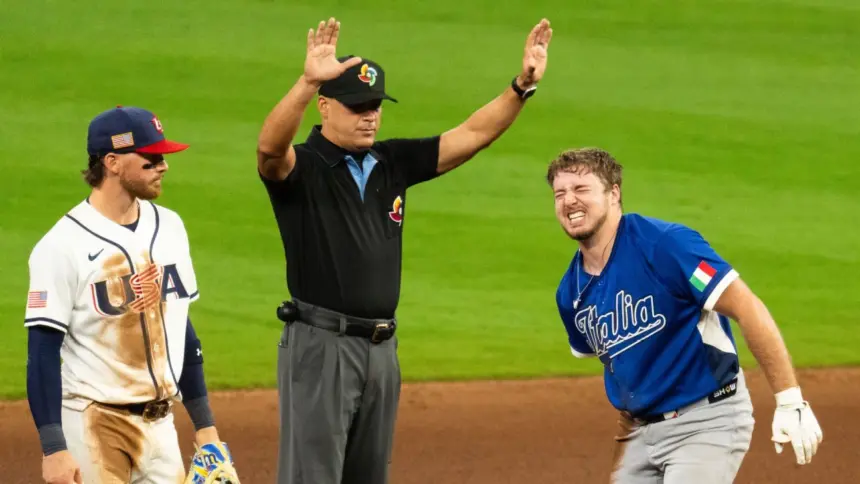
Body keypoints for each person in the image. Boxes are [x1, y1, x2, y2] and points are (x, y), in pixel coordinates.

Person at [255, 16, 552, 484]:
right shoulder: (304, 168)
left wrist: (520, 87)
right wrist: (306, 80)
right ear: (324, 107)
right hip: (321, 347)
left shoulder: (390, 161)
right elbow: (270, 151)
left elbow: (472, 135)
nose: (370, 114)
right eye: (357, 106)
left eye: (375, 105)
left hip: (381, 349)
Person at [547, 148, 824, 483]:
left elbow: (746, 306)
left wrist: (790, 401)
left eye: (581, 189)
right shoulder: (571, 293)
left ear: (614, 193)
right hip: (640, 434)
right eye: (560, 193)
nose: (569, 201)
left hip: (707, 421)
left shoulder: (666, 246)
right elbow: (620, 363)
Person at [24, 106, 238, 484]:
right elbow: (41, 352)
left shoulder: (170, 227)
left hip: (161, 428)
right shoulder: (60, 246)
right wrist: (54, 448)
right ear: (112, 163)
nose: (163, 166)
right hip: (93, 424)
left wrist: (205, 427)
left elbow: (181, 329)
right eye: (151, 158)